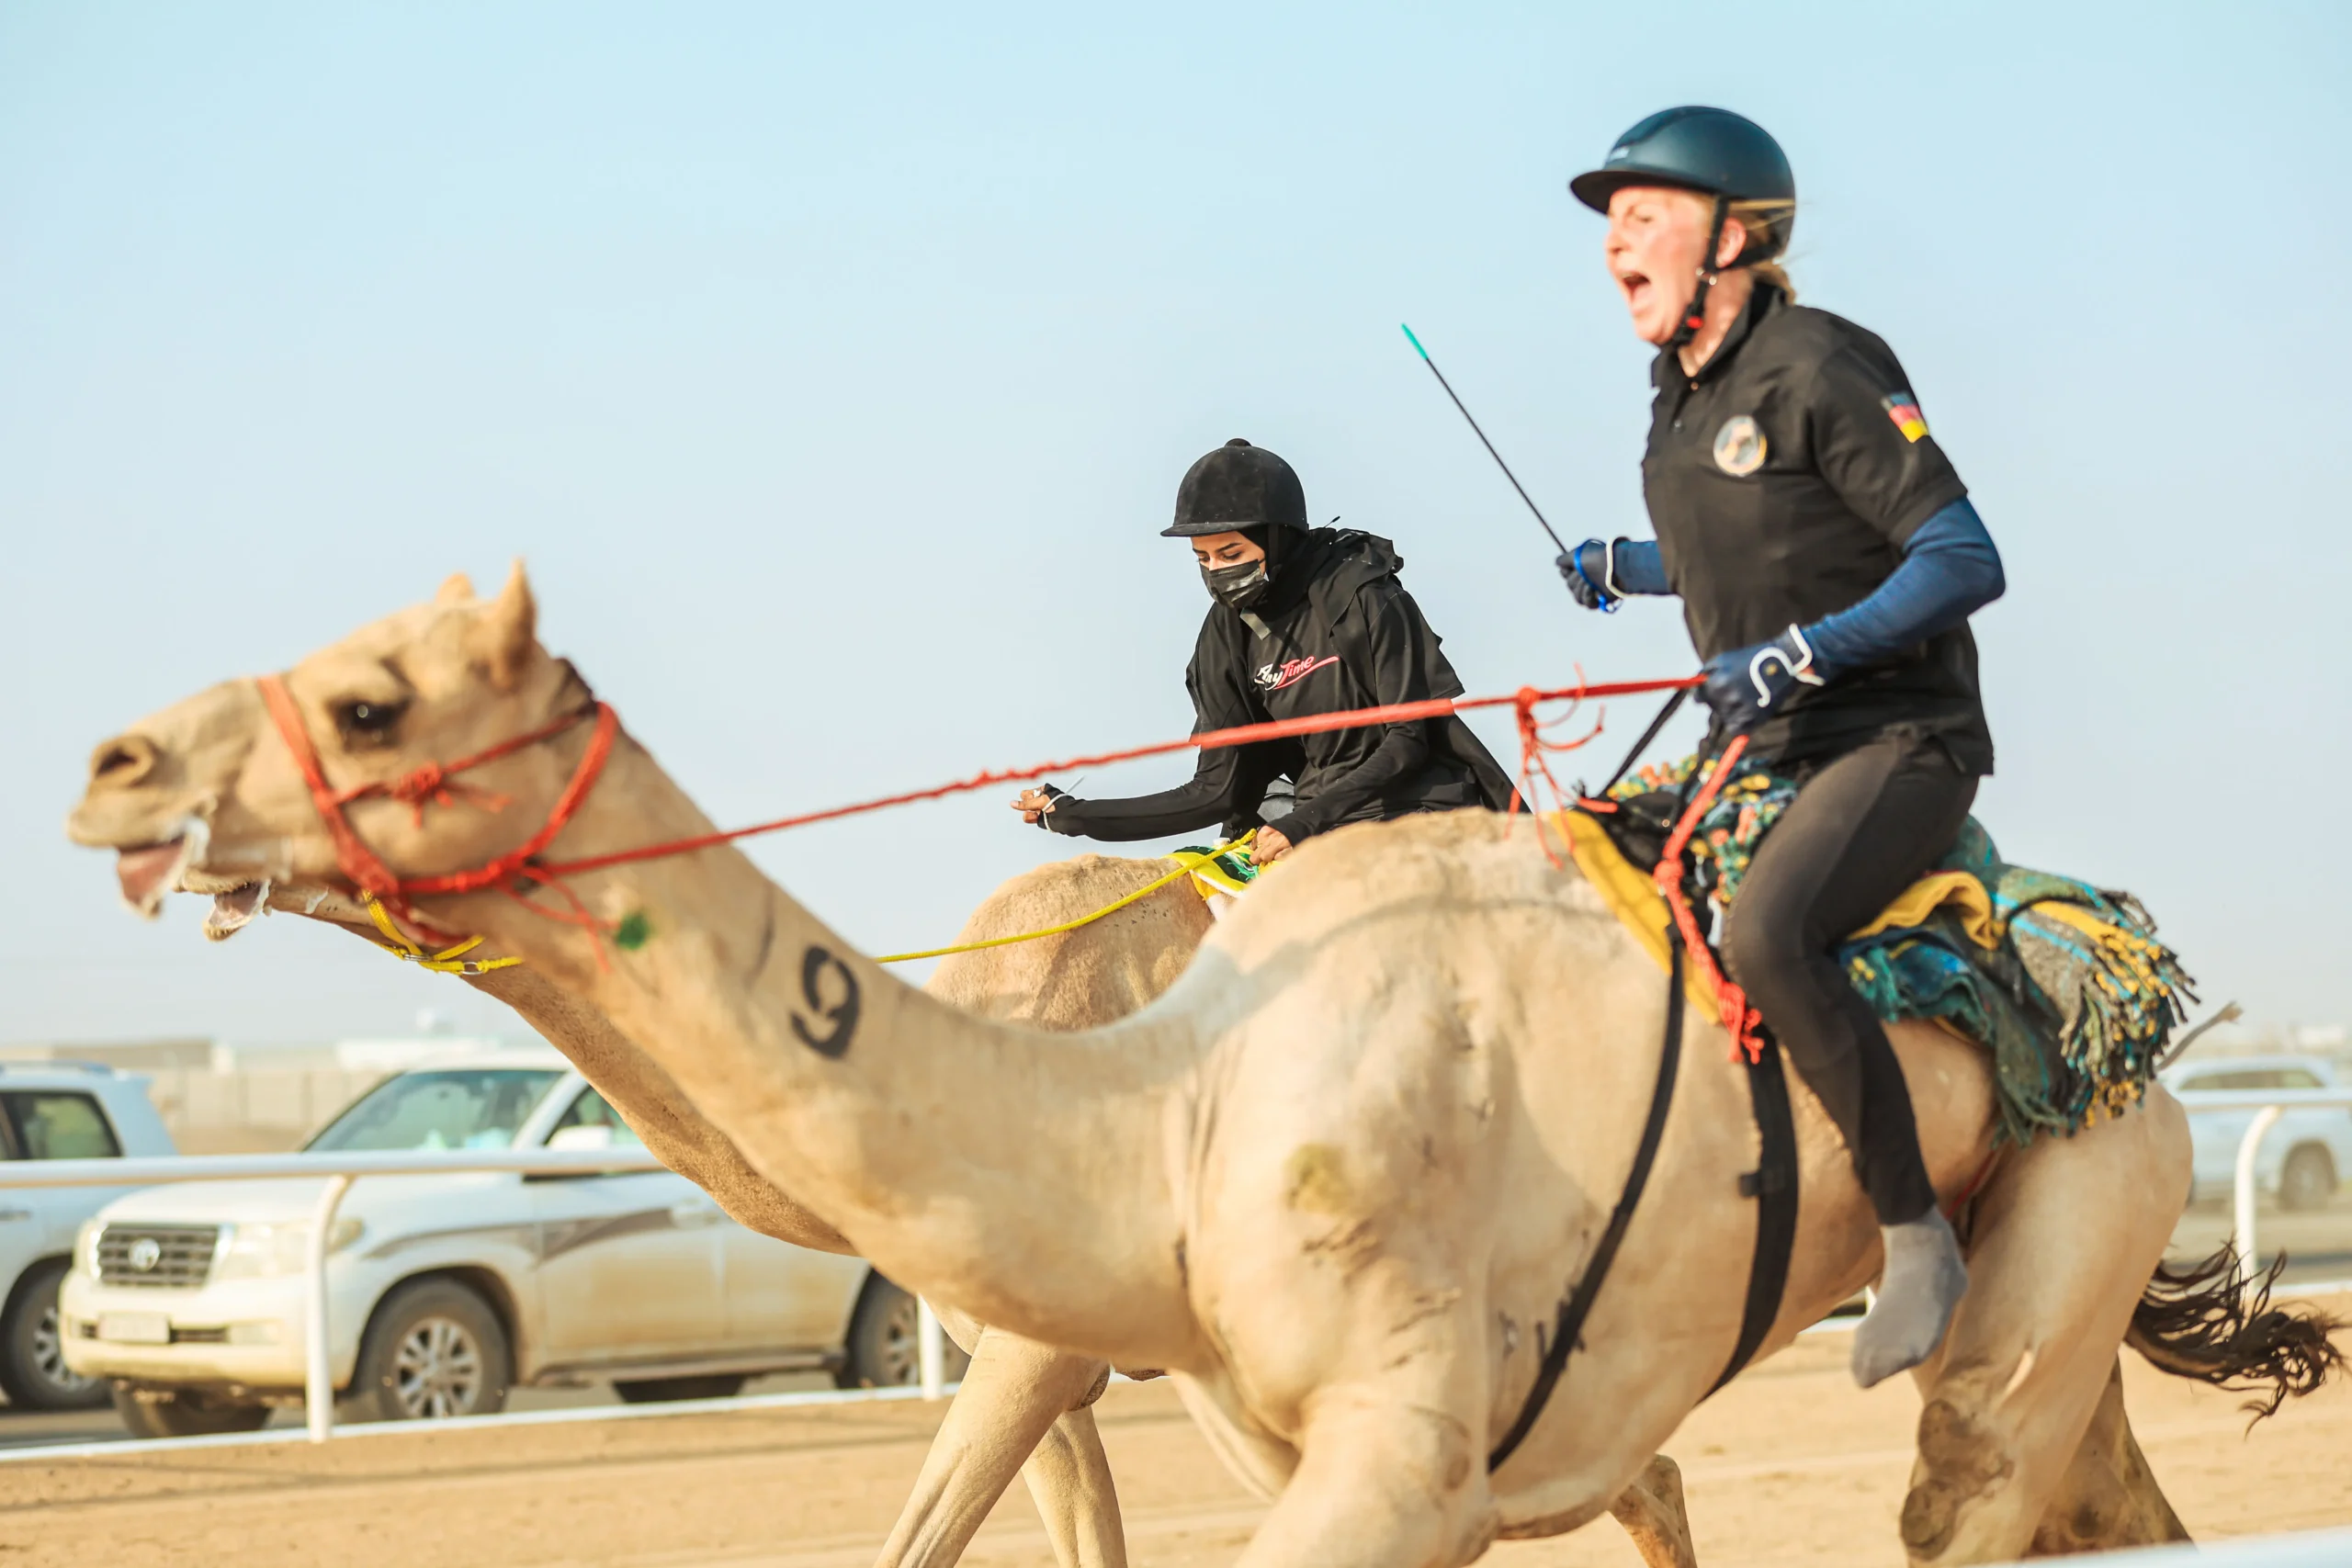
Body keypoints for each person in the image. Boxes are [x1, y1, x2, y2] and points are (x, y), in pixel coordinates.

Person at [1559, 107, 2007, 1387]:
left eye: (1644, 214)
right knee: (1575, 872)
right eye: (1610, 221)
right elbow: (1750, 551)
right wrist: (1621, 567)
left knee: (1767, 930)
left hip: (1895, 735)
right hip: (1761, 743)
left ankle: (1914, 1228)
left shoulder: (1820, 361)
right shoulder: (1678, 398)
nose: (1614, 242)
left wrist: (1805, 654)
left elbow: (1963, 556)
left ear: (1737, 236)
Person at [1012, 438, 1513, 860]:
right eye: (1203, 558)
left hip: (1418, 809)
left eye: (1231, 553)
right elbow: (1217, 791)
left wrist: (1306, 821)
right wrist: (1077, 815)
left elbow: (1408, 739)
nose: (1217, 571)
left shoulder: (1363, 592)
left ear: (1278, 539)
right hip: (1312, 825)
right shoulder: (1225, 635)